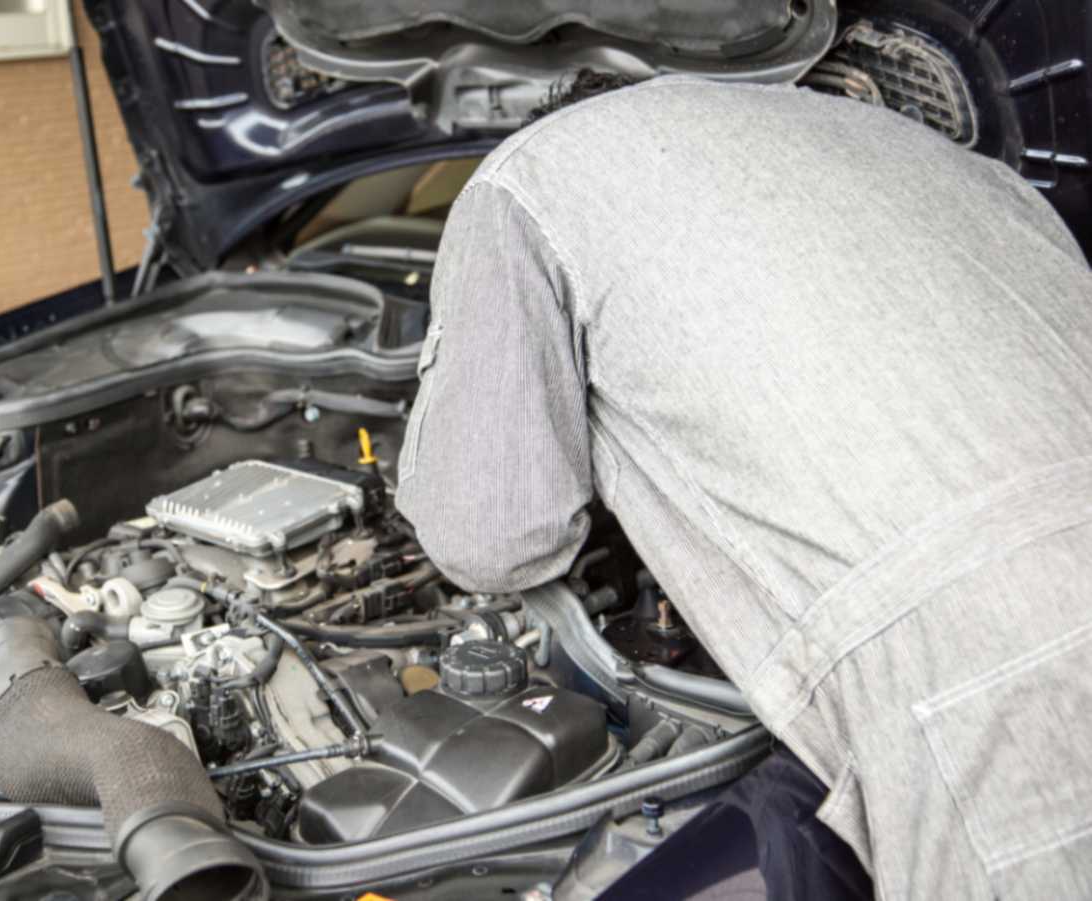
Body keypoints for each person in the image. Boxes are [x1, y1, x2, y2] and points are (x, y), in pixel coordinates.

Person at [395, 71, 1092, 900]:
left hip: (996, 678)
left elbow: (493, 537)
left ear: (561, 113)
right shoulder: (924, 145)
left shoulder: (530, 173)